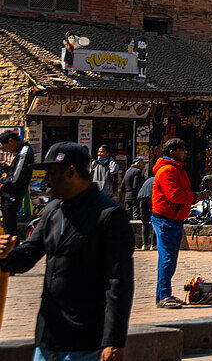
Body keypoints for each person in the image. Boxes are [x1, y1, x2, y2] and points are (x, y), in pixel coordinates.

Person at [0, 141, 133, 360]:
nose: (46, 183)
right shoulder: (53, 210)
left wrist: (114, 341)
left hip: (86, 341)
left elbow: (118, 282)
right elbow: (29, 254)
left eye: (51, 174)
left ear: (71, 172)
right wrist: (5, 255)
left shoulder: (109, 215)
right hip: (48, 338)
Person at [152, 138, 210, 309]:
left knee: (169, 258)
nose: (185, 152)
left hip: (175, 218)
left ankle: (162, 295)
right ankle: (164, 296)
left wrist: (197, 196)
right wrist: (195, 196)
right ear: (172, 152)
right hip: (165, 219)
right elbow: (175, 195)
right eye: (181, 149)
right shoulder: (167, 170)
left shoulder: (179, 170)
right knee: (167, 259)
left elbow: (182, 195)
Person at [0, 129, 34, 237]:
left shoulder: (24, 151)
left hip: (12, 195)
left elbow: (16, 178)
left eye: (6, 147)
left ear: (11, 141)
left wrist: (2, 180)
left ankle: (11, 250)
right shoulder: (22, 151)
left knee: (9, 228)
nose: (7, 151)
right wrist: (6, 168)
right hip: (11, 195)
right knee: (8, 226)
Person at [136, 173, 155, 251]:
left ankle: (145, 244)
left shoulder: (148, 180)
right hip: (151, 198)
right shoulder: (158, 180)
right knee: (154, 221)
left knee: (144, 223)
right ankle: (153, 244)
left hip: (141, 199)